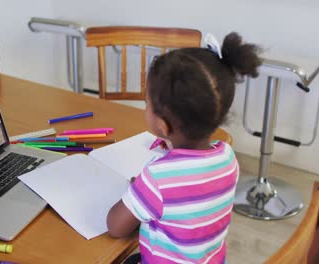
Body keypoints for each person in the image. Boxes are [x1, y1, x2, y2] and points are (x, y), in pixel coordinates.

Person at [107, 32, 261, 264]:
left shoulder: (157, 177)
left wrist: (141, 191)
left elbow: (115, 227)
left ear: (162, 125)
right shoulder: (228, 157)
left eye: (146, 103)